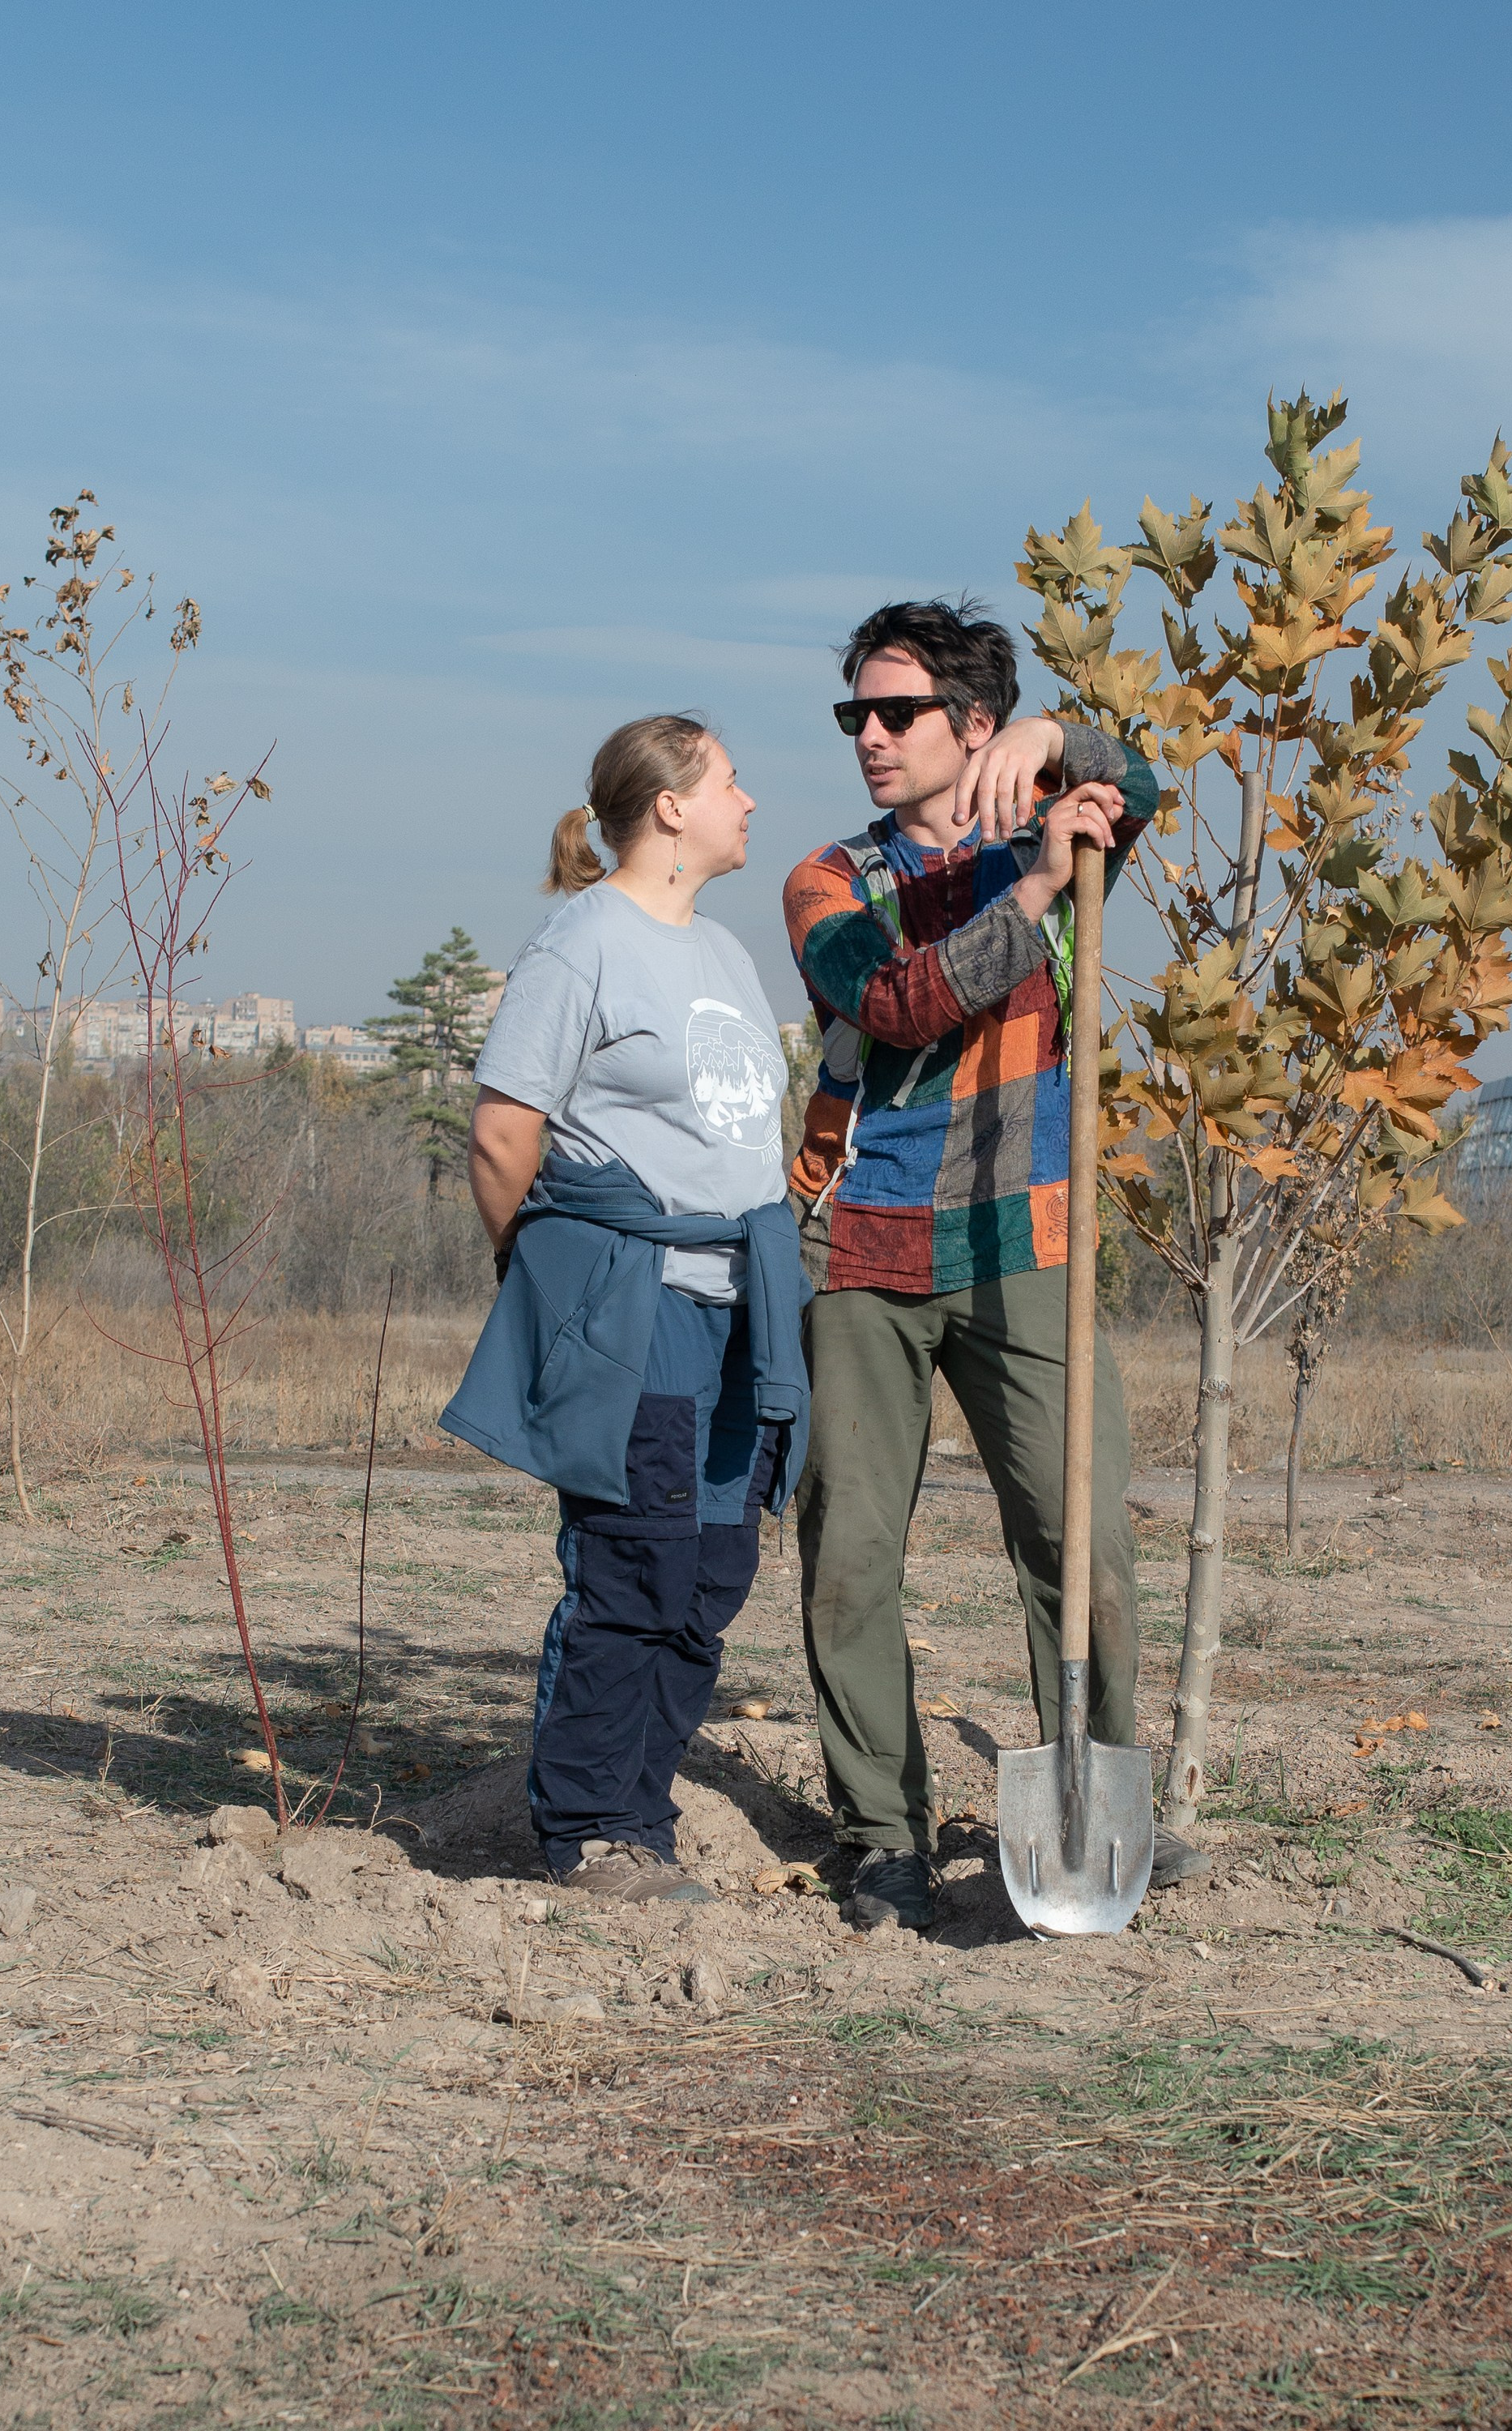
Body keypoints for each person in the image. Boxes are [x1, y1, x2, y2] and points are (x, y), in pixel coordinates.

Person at [782, 599, 1209, 1930]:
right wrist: (1028, 889)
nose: (867, 735)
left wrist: (1056, 736)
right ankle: (882, 1833)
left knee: (1077, 1543)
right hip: (862, 1246)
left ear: (969, 725)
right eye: (854, 712)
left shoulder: (1064, 830)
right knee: (850, 1554)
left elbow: (1138, 777)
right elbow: (901, 1003)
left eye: (895, 711)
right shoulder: (828, 879)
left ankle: (1098, 1792)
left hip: (1027, 1242)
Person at [442, 715, 809, 1905]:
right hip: (636, 1306)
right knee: (635, 1567)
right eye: (732, 780)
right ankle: (592, 1829)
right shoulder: (582, 942)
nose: (750, 801)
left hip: (739, 1311)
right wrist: (540, 1273)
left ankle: (640, 1816)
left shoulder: (722, 953)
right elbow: (504, 1132)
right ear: (668, 805)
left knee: (709, 1576)